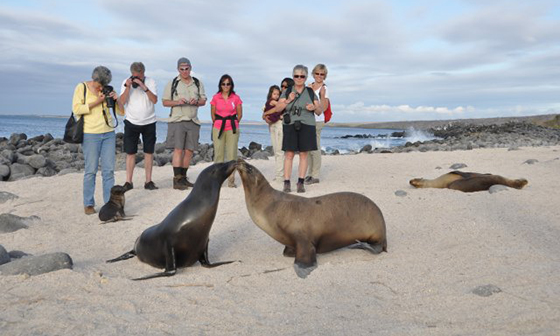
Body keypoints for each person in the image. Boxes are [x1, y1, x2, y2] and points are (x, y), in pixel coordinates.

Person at [72, 66, 124, 215]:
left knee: (108, 171)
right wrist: (97, 101)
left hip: (108, 133)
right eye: (100, 84)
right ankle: (88, 204)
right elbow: (77, 109)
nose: (102, 87)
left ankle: (110, 204)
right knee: (91, 171)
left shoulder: (107, 90)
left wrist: (117, 99)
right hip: (90, 134)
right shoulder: (81, 87)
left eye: (104, 84)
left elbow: (121, 112)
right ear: (94, 79)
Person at [162, 57, 207, 190]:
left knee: (189, 151)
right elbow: (165, 102)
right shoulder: (172, 83)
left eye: (186, 69)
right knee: (178, 149)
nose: (184, 71)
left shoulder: (198, 83)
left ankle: (183, 178)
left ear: (190, 68)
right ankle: (176, 180)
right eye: (182, 69)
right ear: (178, 69)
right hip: (177, 120)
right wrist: (178, 102)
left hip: (193, 120)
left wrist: (196, 101)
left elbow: (203, 100)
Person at [274, 65, 320, 193]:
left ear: (305, 78)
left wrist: (314, 108)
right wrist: (288, 100)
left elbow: (319, 111)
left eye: (302, 76)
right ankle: (287, 182)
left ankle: (300, 182)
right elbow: (278, 108)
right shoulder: (287, 91)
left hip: (307, 124)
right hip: (290, 125)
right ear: (293, 76)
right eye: (296, 76)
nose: (299, 78)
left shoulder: (310, 92)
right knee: (289, 154)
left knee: (304, 154)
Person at [118, 62, 158, 191]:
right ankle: (128, 182)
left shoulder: (150, 81)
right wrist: (128, 87)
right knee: (130, 152)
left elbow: (155, 100)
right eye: (135, 76)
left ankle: (148, 181)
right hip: (131, 122)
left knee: (149, 152)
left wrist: (143, 86)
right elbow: (121, 103)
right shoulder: (126, 82)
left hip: (149, 122)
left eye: (139, 76)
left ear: (143, 74)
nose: (137, 79)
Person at [210, 74, 243, 187]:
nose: (226, 86)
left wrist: (233, 123)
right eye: (223, 84)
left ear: (231, 85)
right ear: (220, 85)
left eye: (228, 84)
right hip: (218, 127)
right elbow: (213, 115)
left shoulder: (236, 97)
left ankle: (231, 180)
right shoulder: (216, 97)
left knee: (232, 154)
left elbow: (239, 114)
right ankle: (217, 179)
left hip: (232, 128)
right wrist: (218, 123)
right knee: (218, 153)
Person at [262, 77, 294, 182]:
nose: (283, 88)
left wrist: (267, 114)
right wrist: (265, 116)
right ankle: (279, 174)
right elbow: (266, 113)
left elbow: (281, 109)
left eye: (286, 86)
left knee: (279, 151)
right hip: (273, 126)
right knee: (276, 151)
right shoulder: (276, 99)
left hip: (280, 126)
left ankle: (280, 176)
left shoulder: (289, 99)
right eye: (282, 86)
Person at [305, 64, 330, 185]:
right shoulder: (309, 87)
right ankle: (309, 173)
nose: (319, 76)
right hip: (307, 120)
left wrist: (317, 102)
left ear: (325, 76)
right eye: (317, 73)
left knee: (315, 148)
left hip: (318, 120)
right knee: (308, 149)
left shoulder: (324, 89)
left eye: (322, 74)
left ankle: (315, 175)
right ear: (313, 74)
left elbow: (323, 108)